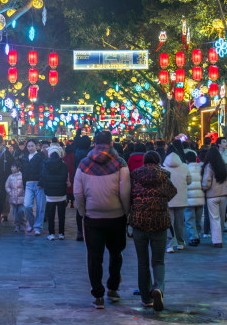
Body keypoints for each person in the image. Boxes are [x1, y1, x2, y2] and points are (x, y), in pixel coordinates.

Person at [74, 131, 131, 309]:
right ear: (111, 143)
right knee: (116, 253)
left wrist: (84, 211)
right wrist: (125, 211)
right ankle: (113, 288)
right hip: (116, 217)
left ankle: (98, 294)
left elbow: (77, 192)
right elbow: (125, 191)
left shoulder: (84, 164)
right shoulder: (120, 163)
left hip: (93, 218)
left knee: (94, 256)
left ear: (94, 143)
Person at [129, 151, 177, 311]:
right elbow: (172, 193)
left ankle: (145, 298)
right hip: (159, 222)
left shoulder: (135, 176)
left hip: (139, 222)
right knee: (158, 261)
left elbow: (129, 196)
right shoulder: (164, 177)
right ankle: (158, 289)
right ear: (158, 161)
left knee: (142, 262)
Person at [162, 143, 191, 253]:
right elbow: (189, 180)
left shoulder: (163, 167)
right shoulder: (184, 166)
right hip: (181, 198)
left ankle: (170, 245)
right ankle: (180, 242)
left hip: (168, 199)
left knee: (169, 223)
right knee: (180, 222)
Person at [201, 146, 227, 249]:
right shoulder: (223, 166)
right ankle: (219, 237)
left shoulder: (209, 166)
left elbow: (206, 181)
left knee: (214, 218)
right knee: (221, 218)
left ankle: (217, 240)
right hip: (224, 195)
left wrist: (204, 189)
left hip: (212, 195)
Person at [42, 144, 70, 240]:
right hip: (61, 193)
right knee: (61, 215)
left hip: (50, 194)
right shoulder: (64, 165)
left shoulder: (46, 164)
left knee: (51, 215)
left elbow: (44, 177)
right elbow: (65, 177)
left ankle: (51, 233)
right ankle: (61, 233)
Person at [21, 139, 46, 235]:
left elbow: (44, 170)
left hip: (39, 184)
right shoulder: (24, 157)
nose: (30, 148)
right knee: (27, 205)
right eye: (28, 146)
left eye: (32, 146)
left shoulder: (41, 156)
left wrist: (41, 182)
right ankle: (31, 223)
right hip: (28, 184)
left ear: (36, 146)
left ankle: (38, 227)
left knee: (40, 207)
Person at [73, 135, 92, 241]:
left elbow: (75, 140)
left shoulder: (76, 151)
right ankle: (87, 230)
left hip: (78, 178)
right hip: (89, 180)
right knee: (89, 204)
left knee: (79, 207)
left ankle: (80, 231)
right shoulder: (90, 153)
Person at [184, 150, 205, 247]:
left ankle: (193, 238)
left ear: (187, 160)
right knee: (198, 219)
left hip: (189, 198)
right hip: (200, 198)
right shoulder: (201, 168)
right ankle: (198, 236)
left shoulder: (185, 169)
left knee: (189, 219)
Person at [5, 162, 26, 233]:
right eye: (11, 167)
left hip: (21, 198)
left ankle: (22, 224)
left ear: (18, 168)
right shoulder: (10, 177)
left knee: (21, 211)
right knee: (15, 213)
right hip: (13, 198)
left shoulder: (22, 176)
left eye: (13, 167)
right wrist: (10, 192)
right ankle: (17, 225)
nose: (12, 169)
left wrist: (25, 193)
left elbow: (25, 186)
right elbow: (7, 186)